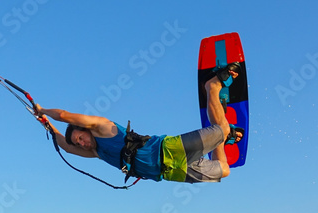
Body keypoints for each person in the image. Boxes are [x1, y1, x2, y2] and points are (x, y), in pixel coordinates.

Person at [35, 70, 243, 183]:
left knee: (222, 130)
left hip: (168, 149)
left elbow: (63, 115)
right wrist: (47, 125)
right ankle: (222, 136)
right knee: (224, 171)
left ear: (86, 129)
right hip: (169, 172)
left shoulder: (102, 127)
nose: (81, 143)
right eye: (78, 143)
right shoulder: (98, 153)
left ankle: (212, 87)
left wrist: (43, 110)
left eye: (80, 137)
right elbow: (65, 145)